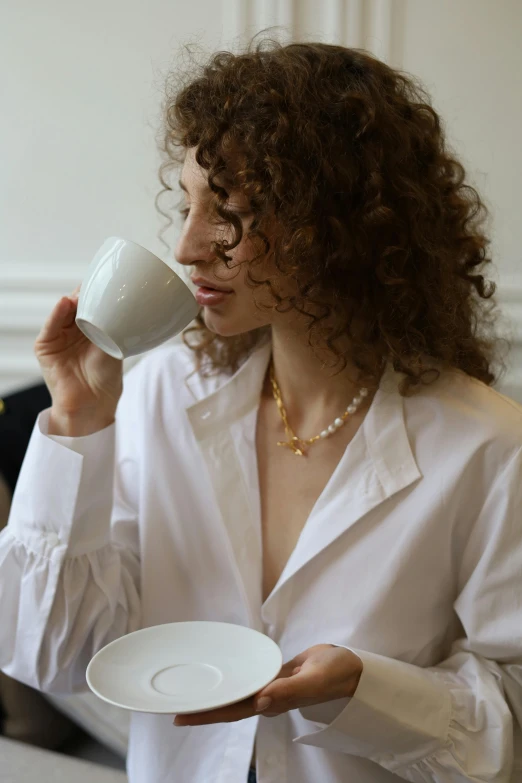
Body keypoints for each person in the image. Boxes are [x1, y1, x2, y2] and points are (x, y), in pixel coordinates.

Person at [0, 38, 521, 783]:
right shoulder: (161, 395)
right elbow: (51, 651)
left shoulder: (487, 447)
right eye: (187, 204)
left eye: (230, 213)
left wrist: (364, 691)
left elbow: (512, 725)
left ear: (338, 222)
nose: (186, 246)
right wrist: (78, 423)